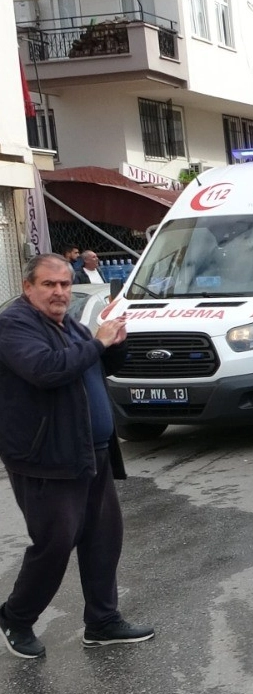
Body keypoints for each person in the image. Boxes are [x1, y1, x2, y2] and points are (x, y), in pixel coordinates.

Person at [0, 254, 155, 659]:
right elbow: (47, 370)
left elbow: (90, 365)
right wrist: (98, 341)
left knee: (104, 538)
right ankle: (16, 616)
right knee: (55, 543)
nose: (59, 292)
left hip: (91, 451)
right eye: (49, 285)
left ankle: (102, 622)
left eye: (65, 285)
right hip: (46, 458)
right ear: (27, 286)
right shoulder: (12, 325)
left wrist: (116, 343)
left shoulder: (65, 322)